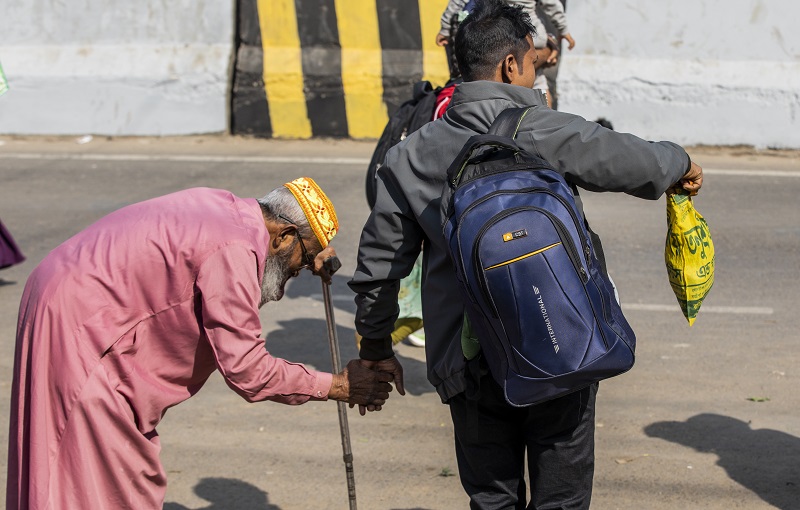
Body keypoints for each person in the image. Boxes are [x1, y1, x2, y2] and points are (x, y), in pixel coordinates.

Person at [349, 1, 703, 508]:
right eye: (534, 65)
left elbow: (379, 268)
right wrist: (681, 161)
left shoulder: (409, 155)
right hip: (561, 343)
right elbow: (630, 160)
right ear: (510, 66)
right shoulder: (541, 127)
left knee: (493, 500)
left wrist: (377, 348)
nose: (536, 77)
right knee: (561, 501)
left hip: (467, 362)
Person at [7, 178, 394, 510]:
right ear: (284, 235)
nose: (299, 270)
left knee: (90, 461)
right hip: (82, 324)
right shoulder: (236, 250)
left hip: (68, 300)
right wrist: (338, 386)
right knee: (99, 471)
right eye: (303, 258)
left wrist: (316, 254)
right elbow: (247, 369)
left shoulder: (231, 212)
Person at [437, 0, 575, 107]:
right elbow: (551, 5)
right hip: (534, 34)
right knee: (539, 83)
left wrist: (444, 29)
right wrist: (563, 30)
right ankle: (545, 118)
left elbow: (457, 2)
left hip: (507, 33)